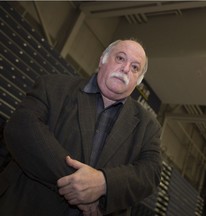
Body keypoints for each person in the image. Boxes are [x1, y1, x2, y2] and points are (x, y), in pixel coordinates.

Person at [0, 39, 162, 216]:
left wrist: (104, 183)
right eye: (120, 58)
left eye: (135, 67)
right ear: (103, 60)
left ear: (138, 81)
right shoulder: (53, 86)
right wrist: (84, 187)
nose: (125, 69)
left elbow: (150, 172)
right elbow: (22, 127)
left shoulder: (148, 126)